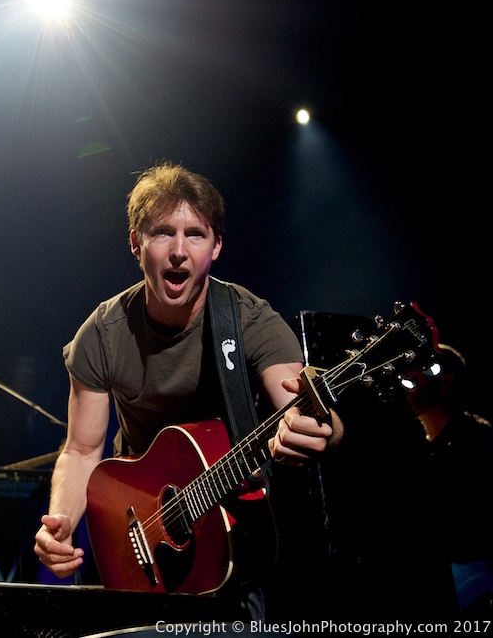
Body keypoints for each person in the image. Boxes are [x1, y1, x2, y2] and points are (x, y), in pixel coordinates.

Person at [33, 161, 343, 619]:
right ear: (136, 243)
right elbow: (81, 450)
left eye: (195, 234)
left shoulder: (248, 319)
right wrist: (60, 522)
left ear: (216, 246)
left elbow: (304, 409)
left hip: (232, 540)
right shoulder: (101, 333)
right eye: (162, 233)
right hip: (139, 530)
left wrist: (321, 429)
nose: (179, 251)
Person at [403, 343, 493, 615]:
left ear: (444, 383)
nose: (406, 389)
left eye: (414, 380)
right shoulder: (417, 445)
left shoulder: (476, 438)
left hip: (474, 566)